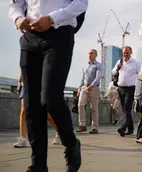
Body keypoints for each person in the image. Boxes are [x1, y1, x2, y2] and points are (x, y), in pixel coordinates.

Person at [9, 0, 87, 171]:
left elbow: (81, 4)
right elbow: (16, 4)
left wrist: (52, 19)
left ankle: (71, 142)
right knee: (31, 106)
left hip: (59, 35)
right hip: (30, 37)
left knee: (50, 99)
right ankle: (38, 166)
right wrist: (17, 18)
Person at [14, 72, 60, 148]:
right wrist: (20, 79)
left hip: (40, 82)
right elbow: (25, 62)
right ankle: (23, 139)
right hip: (27, 82)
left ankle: (59, 132)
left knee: (46, 113)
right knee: (23, 110)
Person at [113, 46, 140, 137]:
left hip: (131, 88)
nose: (125, 54)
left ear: (131, 52)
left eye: (127, 52)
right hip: (121, 88)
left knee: (127, 108)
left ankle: (123, 128)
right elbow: (113, 72)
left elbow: (140, 76)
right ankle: (131, 129)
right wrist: (117, 68)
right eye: (124, 52)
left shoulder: (136, 63)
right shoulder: (119, 62)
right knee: (125, 110)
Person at [76, 49, 102, 134]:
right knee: (80, 104)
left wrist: (92, 85)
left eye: (92, 53)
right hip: (85, 87)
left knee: (94, 108)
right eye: (89, 53)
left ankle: (95, 127)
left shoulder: (98, 65)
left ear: (95, 55)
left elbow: (98, 77)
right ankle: (82, 125)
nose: (90, 55)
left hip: (94, 88)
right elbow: (82, 78)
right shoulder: (86, 66)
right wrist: (79, 88)